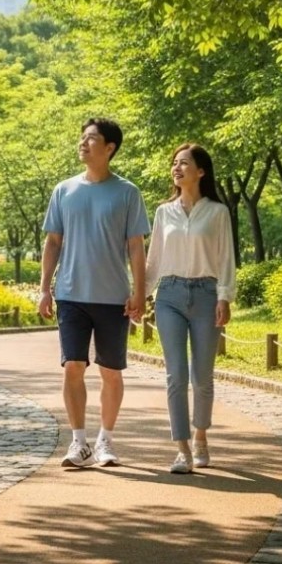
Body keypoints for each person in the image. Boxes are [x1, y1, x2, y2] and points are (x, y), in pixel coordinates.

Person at [38, 117, 149, 469]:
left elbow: (136, 247)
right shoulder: (64, 190)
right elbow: (53, 242)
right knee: (72, 365)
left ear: (110, 148)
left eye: (91, 139)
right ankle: (78, 442)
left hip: (113, 297)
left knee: (111, 371)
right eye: (82, 138)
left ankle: (106, 440)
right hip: (71, 294)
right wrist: (44, 289)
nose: (83, 144)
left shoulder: (127, 193)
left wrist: (140, 292)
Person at [146, 142, 236, 474]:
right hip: (168, 294)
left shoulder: (217, 212)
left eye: (184, 163)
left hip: (205, 295)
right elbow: (153, 260)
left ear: (201, 171)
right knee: (176, 375)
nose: (177, 167)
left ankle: (201, 436)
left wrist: (224, 296)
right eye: (174, 163)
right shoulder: (162, 212)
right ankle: (181, 449)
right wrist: (140, 295)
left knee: (201, 376)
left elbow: (226, 258)